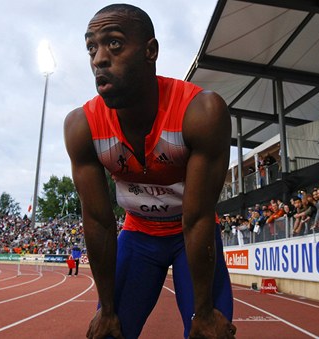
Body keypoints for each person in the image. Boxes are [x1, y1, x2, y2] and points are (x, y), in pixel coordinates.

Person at [63, 4, 235, 338]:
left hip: (191, 234)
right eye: (91, 47)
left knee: (210, 333)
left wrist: (203, 313)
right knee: (109, 332)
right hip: (139, 234)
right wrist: (107, 309)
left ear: (150, 51)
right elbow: (98, 221)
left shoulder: (201, 111)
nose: (98, 58)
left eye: (113, 43)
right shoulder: (81, 126)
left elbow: (198, 217)